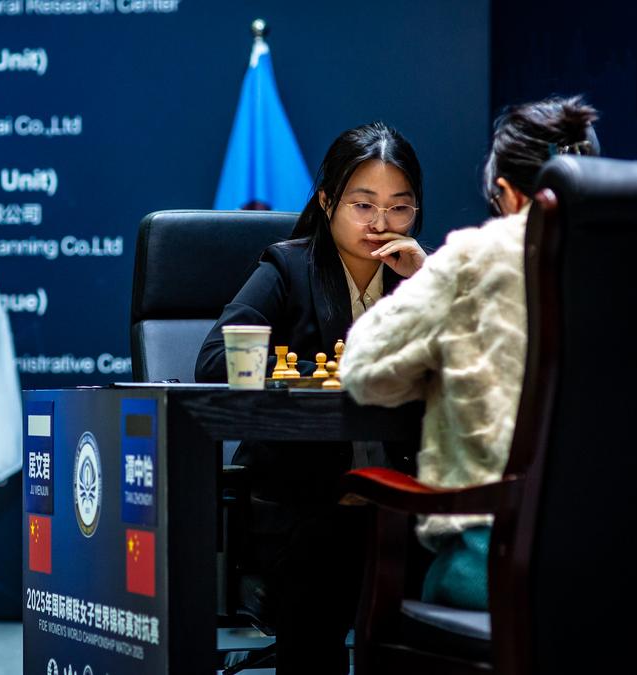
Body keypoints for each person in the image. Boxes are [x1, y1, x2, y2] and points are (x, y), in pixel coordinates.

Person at [341, 96, 600, 610]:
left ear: (506, 193)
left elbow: (364, 369)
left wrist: (440, 356)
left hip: (498, 572)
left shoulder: (475, 257)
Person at [196, 121, 427, 674]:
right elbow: (215, 361)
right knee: (329, 559)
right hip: (305, 503)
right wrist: (328, 373)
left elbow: (473, 370)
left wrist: (430, 282)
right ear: (327, 202)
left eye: (399, 207)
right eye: (363, 205)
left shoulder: (422, 275)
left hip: (403, 502)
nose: (381, 223)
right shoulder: (288, 267)